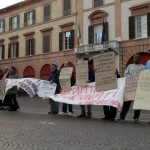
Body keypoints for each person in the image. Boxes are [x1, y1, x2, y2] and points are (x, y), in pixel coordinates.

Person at [117, 54, 145, 123]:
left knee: (137, 104)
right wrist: (131, 77)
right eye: (134, 58)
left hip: (138, 88)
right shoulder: (130, 66)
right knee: (126, 103)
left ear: (139, 59)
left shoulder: (143, 67)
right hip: (130, 88)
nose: (134, 59)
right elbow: (125, 74)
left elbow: (144, 75)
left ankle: (136, 117)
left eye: (136, 58)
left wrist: (138, 77)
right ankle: (122, 117)